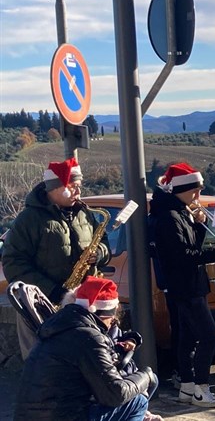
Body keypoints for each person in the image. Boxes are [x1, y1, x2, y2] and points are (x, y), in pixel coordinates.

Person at [2, 157, 110, 359]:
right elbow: (13, 262)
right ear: (54, 187)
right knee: (42, 361)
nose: (79, 192)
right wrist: (52, 291)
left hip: (81, 300)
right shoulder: (29, 219)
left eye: (80, 186)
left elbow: (102, 240)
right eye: (73, 186)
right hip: (41, 304)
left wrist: (101, 253)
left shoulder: (84, 213)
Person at [149, 162, 215, 408]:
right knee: (209, 336)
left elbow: (192, 246)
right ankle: (201, 388)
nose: (198, 196)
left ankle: (187, 386)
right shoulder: (168, 217)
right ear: (180, 190)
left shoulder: (180, 212)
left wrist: (197, 224)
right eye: (195, 190)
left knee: (187, 337)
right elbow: (183, 255)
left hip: (190, 283)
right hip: (185, 285)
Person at [14, 276, 156, 421]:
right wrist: (147, 375)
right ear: (104, 315)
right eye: (111, 319)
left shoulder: (55, 327)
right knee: (138, 401)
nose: (110, 324)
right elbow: (115, 395)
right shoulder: (89, 337)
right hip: (65, 416)